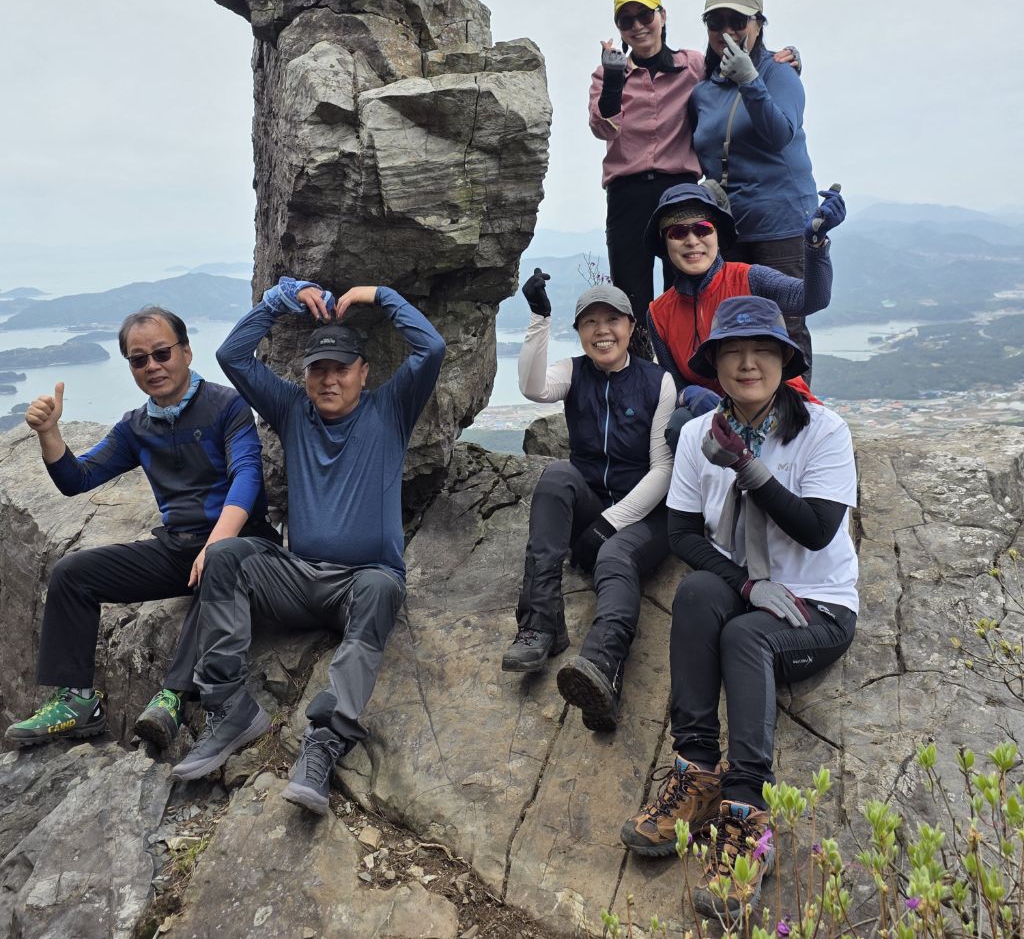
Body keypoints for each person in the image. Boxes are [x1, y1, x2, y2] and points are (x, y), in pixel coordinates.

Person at [169, 276, 445, 818]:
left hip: (361, 584)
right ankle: (230, 710)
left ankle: (324, 742)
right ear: (305, 376)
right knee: (225, 555)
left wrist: (379, 295)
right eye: (318, 369)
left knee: (380, 587)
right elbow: (233, 356)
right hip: (296, 578)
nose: (329, 379)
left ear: (364, 373)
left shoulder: (391, 410)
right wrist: (282, 297)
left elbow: (430, 347)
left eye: (342, 368)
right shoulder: (294, 410)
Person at [620, 297, 858, 923]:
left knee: (745, 638)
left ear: (784, 361)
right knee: (698, 592)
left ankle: (749, 813)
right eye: (733, 351)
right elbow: (682, 534)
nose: (748, 363)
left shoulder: (824, 431)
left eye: (762, 351)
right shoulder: (700, 434)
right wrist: (746, 586)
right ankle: (696, 772)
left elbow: (816, 530)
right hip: (753, 587)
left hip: (819, 604)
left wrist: (749, 467)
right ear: (716, 364)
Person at [5, 306, 274, 751]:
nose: (153, 366)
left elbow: (247, 476)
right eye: (139, 359)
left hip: (244, 543)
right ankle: (78, 701)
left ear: (186, 352)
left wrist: (216, 544)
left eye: (162, 353)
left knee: (221, 563)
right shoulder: (136, 427)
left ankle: (173, 696)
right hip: (179, 548)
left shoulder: (226, 406)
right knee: (72, 574)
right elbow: (77, 479)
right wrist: (49, 433)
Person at [502, 275, 675, 732]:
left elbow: (663, 470)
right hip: (592, 504)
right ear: (579, 332)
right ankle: (541, 625)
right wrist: (539, 318)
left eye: (612, 320)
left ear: (631, 326)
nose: (602, 331)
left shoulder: (657, 382)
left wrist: (609, 524)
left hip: (646, 515)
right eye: (590, 322)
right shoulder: (573, 371)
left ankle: (603, 668)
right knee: (557, 475)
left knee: (615, 557)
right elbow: (533, 388)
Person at [589, 0, 799, 332]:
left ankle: (684, 364)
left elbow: (732, 70)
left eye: (645, 15)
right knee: (631, 294)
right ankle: (641, 364)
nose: (638, 26)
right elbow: (603, 129)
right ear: (619, 29)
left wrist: (787, 58)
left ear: (662, 16)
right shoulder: (607, 74)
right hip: (627, 194)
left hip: (681, 190)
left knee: (687, 290)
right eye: (626, 20)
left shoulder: (692, 66)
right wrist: (613, 82)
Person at [691, 0, 822, 370]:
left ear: (758, 24)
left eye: (737, 21)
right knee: (738, 327)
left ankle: (797, 407)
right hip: (731, 227)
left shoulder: (779, 74)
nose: (726, 31)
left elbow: (780, 133)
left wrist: (750, 80)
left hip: (781, 223)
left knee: (786, 327)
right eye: (716, 23)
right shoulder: (703, 91)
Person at [644, 181, 845, 421]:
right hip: (713, 420)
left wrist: (816, 244)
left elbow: (811, 299)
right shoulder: (659, 313)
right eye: (677, 232)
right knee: (680, 423)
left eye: (703, 229)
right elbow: (675, 383)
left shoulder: (750, 279)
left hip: (780, 410)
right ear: (664, 242)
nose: (692, 240)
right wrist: (690, 394)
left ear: (717, 235)